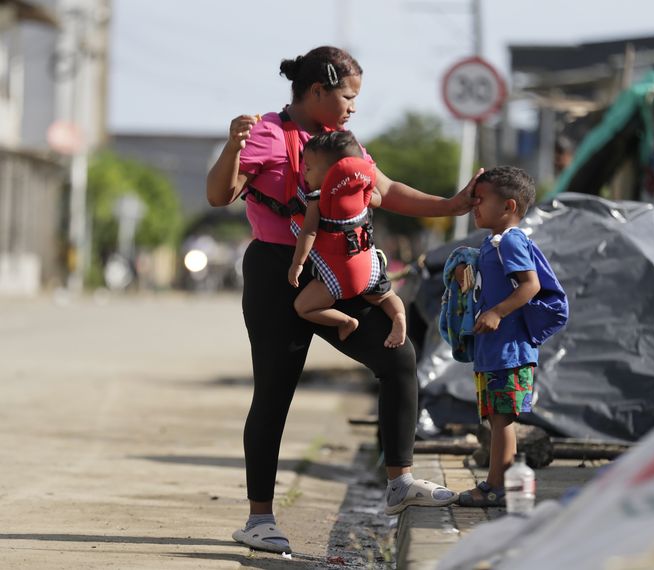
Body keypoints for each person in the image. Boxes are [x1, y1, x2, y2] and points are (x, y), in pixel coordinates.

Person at [206, 46, 476, 554]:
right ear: (316, 92)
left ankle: (400, 483)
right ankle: (260, 518)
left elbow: (386, 188)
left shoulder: (342, 143)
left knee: (398, 358)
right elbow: (220, 194)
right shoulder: (267, 133)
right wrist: (230, 148)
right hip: (277, 273)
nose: (354, 107)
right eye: (348, 96)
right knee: (274, 393)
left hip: (338, 268)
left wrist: (452, 203)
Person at [453, 166, 542, 508]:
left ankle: (497, 487)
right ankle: (498, 483)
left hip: (510, 350)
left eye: (481, 200)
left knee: (501, 419)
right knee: (496, 417)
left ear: (507, 206)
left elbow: (530, 285)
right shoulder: (492, 242)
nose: (474, 206)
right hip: (494, 349)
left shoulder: (512, 240)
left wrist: (496, 313)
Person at [288, 130, 407, 348]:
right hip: (370, 270)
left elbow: (309, 232)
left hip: (339, 277)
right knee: (386, 296)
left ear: (333, 173)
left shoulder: (317, 198)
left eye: (309, 167)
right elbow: (378, 200)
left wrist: (297, 264)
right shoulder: (362, 192)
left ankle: (345, 321)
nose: (303, 171)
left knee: (303, 307)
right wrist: (365, 189)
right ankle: (398, 316)